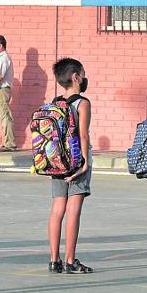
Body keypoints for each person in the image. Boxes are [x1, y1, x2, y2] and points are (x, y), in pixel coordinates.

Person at [43, 58, 94, 273]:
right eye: (82, 73)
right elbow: (83, 134)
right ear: (75, 77)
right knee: (73, 212)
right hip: (76, 163)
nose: (84, 77)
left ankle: (54, 260)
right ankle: (70, 259)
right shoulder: (82, 103)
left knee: (57, 210)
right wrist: (82, 163)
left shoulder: (54, 103)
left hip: (57, 163)